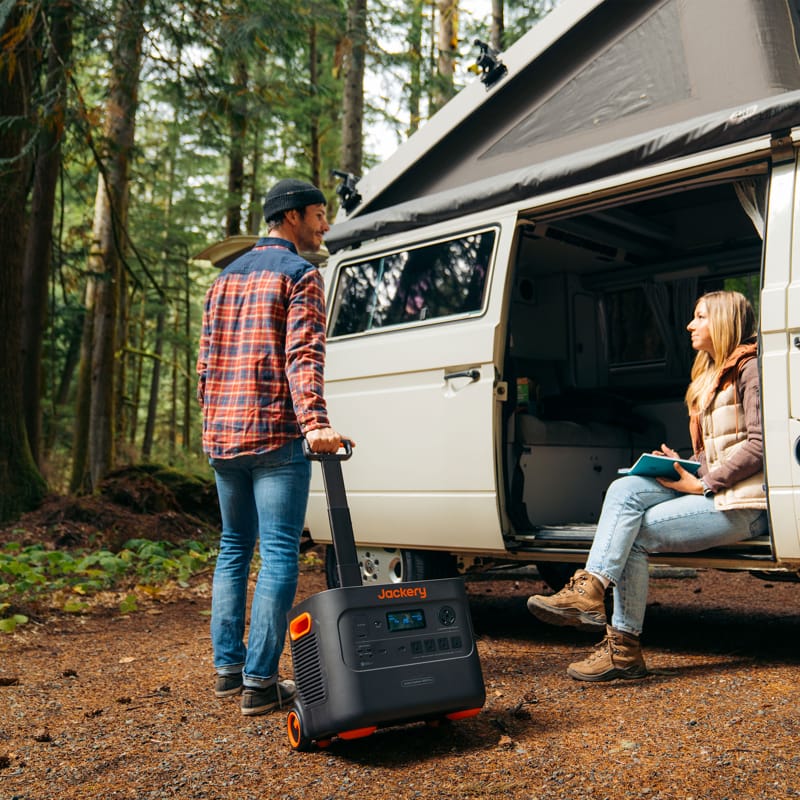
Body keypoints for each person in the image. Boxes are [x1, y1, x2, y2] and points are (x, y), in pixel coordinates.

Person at [527, 290, 768, 681]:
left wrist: (702, 481)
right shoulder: (710, 375)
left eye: (700, 317)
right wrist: (684, 463)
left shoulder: (750, 368)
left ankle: (622, 649)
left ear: (722, 322)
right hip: (717, 489)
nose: (690, 325)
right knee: (624, 488)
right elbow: (722, 451)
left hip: (743, 505)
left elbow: (759, 445)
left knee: (634, 534)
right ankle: (590, 589)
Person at [197, 178, 351, 715]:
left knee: (234, 547)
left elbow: (205, 365)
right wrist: (314, 423)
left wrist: (211, 422)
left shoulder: (222, 280)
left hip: (223, 436)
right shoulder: (301, 275)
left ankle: (228, 670)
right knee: (280, 551)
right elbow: (303, 356)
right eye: (318, 215)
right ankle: (260, 684)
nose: (325, 226)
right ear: (291, 216)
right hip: (274, 436)